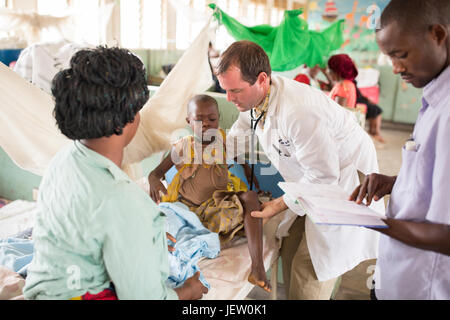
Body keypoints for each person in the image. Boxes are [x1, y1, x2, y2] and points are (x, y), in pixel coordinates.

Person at [23, 47, 208, 300]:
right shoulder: (125, 201)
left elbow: (90, 230)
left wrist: (142, 238)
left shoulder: (63, 162)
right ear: (130, 118)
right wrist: (186, 292)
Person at [217, 40, 384, 300]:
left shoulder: (299, 112)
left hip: (343, 184)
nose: (229, 98)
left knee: (310, 267)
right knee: (289, 247)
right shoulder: (255, 100)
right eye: (225, 90)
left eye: (235, 90)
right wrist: (208, 160)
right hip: (310, 180)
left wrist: (278, 204)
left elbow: (323, 176)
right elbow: (238, 133)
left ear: (262, 79)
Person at [349, 0, 450, 300]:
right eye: (389, 57)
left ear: (438, 35)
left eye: (400, 55)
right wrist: (396, 182)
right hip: (397, 276)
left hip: (422, 286)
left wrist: (374, 222)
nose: (394, 68)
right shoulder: (434, 95)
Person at [148, 94, 270, 292]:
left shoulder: (224, 140)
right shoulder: (183, 146)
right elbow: (156, 173)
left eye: (211, 119)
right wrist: (154, 181)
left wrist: (248, 171)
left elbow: (239, 158)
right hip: (189, 208)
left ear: (218, 120)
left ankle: (257, 267)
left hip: (216, 206)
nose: (205, 124)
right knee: (164, 220)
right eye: (198, 120)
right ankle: (192, 242)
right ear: (188, 121)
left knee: (251, 197)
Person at [327, 54, 386, 143]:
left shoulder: (342, 87)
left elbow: (339, 114)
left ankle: (375, 133)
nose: (327, 72)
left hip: (337, 133)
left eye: (329, 69)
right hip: (346, 128)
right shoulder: (349, 84)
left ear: (336, 71)